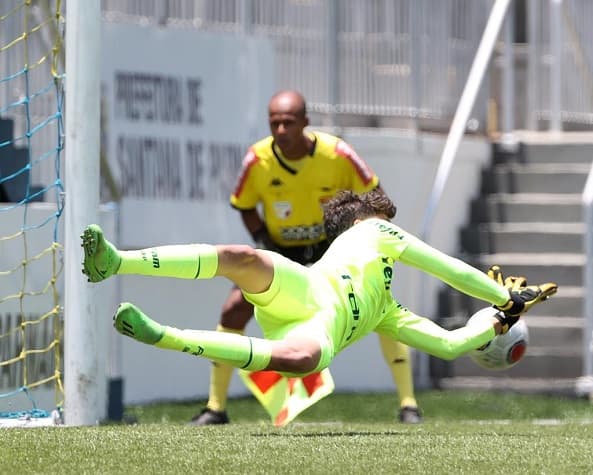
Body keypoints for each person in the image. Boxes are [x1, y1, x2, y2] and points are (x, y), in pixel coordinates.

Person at [81, 189, 558, 423]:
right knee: (242, 258)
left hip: (315, 327)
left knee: (303, 359)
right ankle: (115, 261)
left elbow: (452, 345)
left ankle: (161, 334)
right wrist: (503, 299)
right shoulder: (375, 229)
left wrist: (495, 323)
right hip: (305, 289)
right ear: (369, 218)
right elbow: (446, 267)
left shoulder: (387, 311)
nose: (395, 225)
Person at [187, 89, 422, 425]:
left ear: (305, 123)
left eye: (289, 122)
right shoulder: (258, 160)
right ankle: (215, 407)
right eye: (275, 123)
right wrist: (264, 243)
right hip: (283, 253)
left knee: (381, 306)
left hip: (333, 251)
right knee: (234, 309)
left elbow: (377, 197)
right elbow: (244, 206)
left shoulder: (338, 154)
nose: (281, 130)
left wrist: (359, 236)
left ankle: (408, 404)